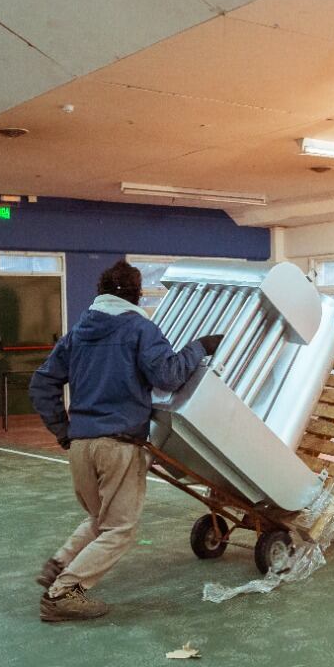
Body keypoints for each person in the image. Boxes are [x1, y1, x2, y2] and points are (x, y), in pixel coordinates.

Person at [29, 260, 222, 622]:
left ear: (100, 292)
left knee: (100, 517)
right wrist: (199, 347)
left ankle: (60, 562)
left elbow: (41, 384)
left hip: (81, 444)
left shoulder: (78, 332)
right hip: (118, 444)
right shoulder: (139, 329)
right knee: (120, 528)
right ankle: (64, 592)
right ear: (136, 293)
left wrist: (62, 430)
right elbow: (168, 376)